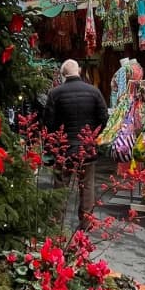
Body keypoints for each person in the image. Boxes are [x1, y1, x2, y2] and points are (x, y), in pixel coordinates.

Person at [42, 58, 108, 220]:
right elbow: (104, 118)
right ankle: (86, 223)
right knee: (87, 186)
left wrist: (53, 143)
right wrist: (93, 136)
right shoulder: (94, 92)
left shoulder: (55, 93)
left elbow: (48, 122)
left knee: (60, 185)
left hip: (64, 148)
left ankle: (57, 223)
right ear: (78, 71)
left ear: (63, 74)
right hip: (87, 147)